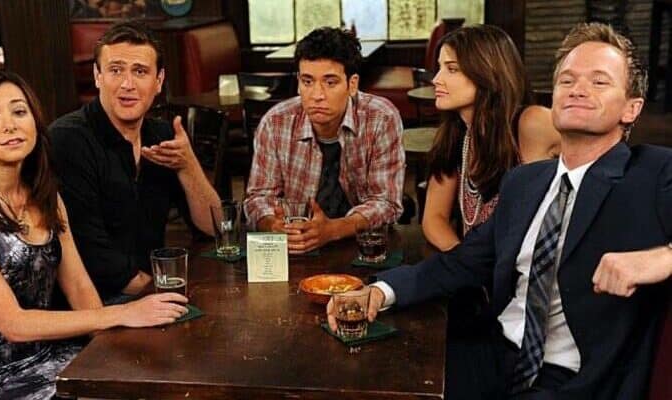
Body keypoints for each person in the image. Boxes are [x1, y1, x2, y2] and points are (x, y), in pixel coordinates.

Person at [328, 23, 671, 399]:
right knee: (361, 376)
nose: (578, 89)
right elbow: (462, 262)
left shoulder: (653, 173)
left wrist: (661, 259)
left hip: (575, 381)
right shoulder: (525, 182)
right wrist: (380, 291)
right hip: (493, 354)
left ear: (631, 108)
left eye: (599, 81)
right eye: (567, 80)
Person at [0, 69, 190, 399]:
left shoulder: (47, 198)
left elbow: (80, 287)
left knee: (154, 375)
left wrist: (110, 351)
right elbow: (13, 324)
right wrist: (122, 313)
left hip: (49, 354)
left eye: (19, 112)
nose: (10, 125)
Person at [50, 21, 219, 304]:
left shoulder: (163, 135)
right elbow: (90, 250)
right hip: (91, 302)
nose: (127, 85)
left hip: (148, 292)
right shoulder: (67, 139)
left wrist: (188, 165)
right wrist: (160, 293)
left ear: (159, 81)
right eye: (116, 70)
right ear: (97, 76)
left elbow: (214, 227)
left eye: (140, 72)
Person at [243, 27, 405, 254]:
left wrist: (333, 230)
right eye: (308, 82)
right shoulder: (276, 122)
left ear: (352, 84)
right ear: (298, 82)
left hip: (363, 244)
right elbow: (258, 198)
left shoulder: (381, 118)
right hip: (298, 246)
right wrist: (273, 225)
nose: (317, 95)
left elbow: (386, 202)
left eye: (330, 83)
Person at [423, 24, 560, 252]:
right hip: (476, 266)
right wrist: (465, 259)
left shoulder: (531, 122)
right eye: (439, 68)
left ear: (487, 72)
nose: (436, 79)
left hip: (525, 266)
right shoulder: (455, 134)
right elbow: (434, 217)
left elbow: (601, 154)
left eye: (452, 69)